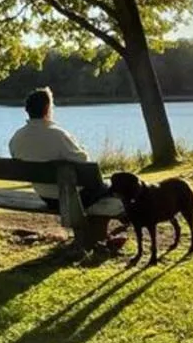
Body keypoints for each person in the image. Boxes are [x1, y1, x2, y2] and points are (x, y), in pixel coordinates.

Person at [8, 87, 122, 246]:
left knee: (106, 189)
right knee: (111, 188)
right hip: (73, 198)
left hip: (46, 197)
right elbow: (84, 161)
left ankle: (98, 234)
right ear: (47, 108)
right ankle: (103, 233)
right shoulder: (58, 134)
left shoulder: (17, 137)